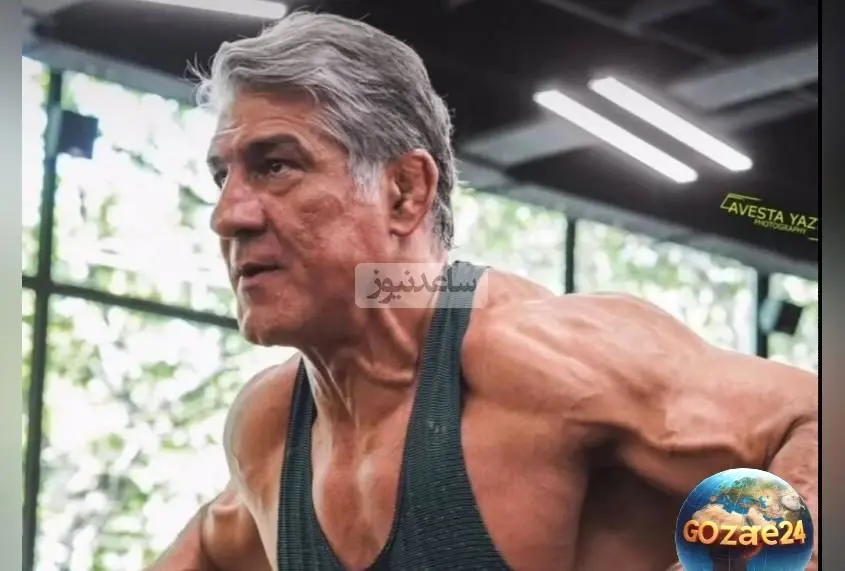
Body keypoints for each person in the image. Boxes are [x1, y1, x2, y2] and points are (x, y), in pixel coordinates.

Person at [149, 11, 817, 571]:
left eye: (275, 166)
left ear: (404, 192)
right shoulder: (270, 428)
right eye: (222, 177)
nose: (228, 215)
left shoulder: (537, 357)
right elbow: (215, 539)